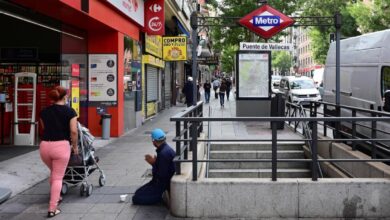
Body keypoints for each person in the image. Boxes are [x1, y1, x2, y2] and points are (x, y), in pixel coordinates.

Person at [39, 86, 78, 218]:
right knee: (57, 177)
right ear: (65, 97)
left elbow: (44, 128)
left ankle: (57, 196)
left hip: (44, 147)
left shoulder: (44, 112)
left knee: (54, 173)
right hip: (61, 146)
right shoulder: (70, 112)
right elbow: (73, 131)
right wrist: (75, 146)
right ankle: (52, 208)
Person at [132, 128, 175, 205]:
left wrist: (153, 163)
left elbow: (161, 176)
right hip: (161, 182)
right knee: (138, 192)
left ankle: (161, 197)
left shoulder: (163, 154)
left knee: (136, 198)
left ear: (153, 141)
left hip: (162, 186)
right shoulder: (165, 149)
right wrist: (156, 163)